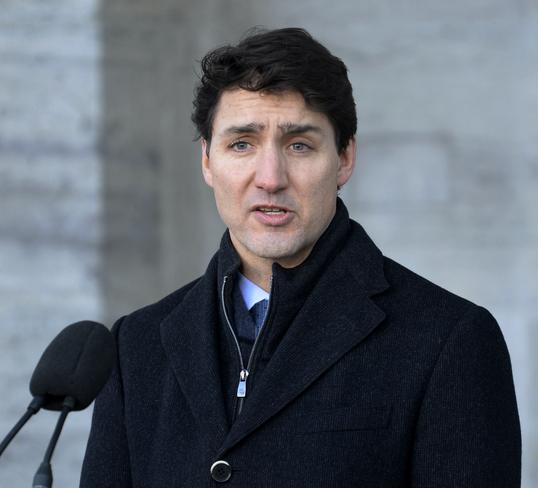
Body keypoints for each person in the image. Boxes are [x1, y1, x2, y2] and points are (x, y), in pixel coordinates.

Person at [80, 27, 521, 487]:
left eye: (299, 145)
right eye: (242, 144)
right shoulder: (137, 346)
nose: (270, 178)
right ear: (207, 161)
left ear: (344, 159)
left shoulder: (449, 340)